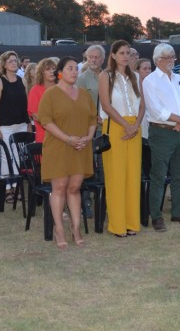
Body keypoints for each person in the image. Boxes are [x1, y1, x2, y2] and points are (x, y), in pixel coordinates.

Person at [37, 56, 96, 249]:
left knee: (75, 187)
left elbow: (93, 119)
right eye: (70, 68)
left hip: (81, 146)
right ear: (60, 72)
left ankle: (76, 227)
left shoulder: (84, 93)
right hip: (59, 147)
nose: (74, 71)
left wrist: (87, 138)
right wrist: (68, 139)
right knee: (60, 187)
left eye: (76, 68)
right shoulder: (51, 94)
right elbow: (46, 121)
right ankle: (59, 229)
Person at [143, 43, 180, 232]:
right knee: (158, 175)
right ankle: (156, 216)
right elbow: (156, 109)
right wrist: (178, 119)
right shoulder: (150, 81)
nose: (170, 60)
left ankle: (178, 212)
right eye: (166, 57)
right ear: (157, 60)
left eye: (172, 57)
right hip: (162, 133)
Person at [98, 40, 145, 237]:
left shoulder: (136, 76)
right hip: (116, 128)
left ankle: (132, 223)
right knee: (116, 177)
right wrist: (126, 126)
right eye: (122, 52)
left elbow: (143, 104)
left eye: (128, 52)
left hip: (135, 128)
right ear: (114, 55)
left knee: (133, 176)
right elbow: (107, 105)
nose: (126, 56)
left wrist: (135, 126)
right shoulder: (105, 76)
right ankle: (117, 225)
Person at [0, 51, 30, 196]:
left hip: (21, 124)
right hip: (5, 126)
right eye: (10, 61)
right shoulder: (0, 82)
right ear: (4, 65)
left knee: (18, 156)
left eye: (15, 60)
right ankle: (8, 188)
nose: (14, 63)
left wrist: (28, 123)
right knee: (5, 156)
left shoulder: (22, 81)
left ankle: (16, 185)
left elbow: (26, 105)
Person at [27, 58, 57, 143]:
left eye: (53, 69)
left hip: (64, 135)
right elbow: (35, 115)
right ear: (41, 73)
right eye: (48, 69)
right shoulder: (35, 90)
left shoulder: (62, 88)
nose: (52, 71)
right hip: (44, 136)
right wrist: (54, 126)